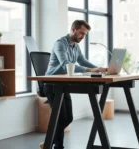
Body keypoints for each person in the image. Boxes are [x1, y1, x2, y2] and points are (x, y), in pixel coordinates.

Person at [40, 20, 107, 149]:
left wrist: (99, 68)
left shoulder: (75, 46)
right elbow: (66, 64)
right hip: (51, 85)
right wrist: (90, 70)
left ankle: (49, 142)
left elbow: (83, 61)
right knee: (60, 118)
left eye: (85, 34)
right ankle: (57, 146)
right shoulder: (60, 44)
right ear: (73, 30)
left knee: (68, 117)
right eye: (81, 33)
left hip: (64, 84)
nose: (83, 36)